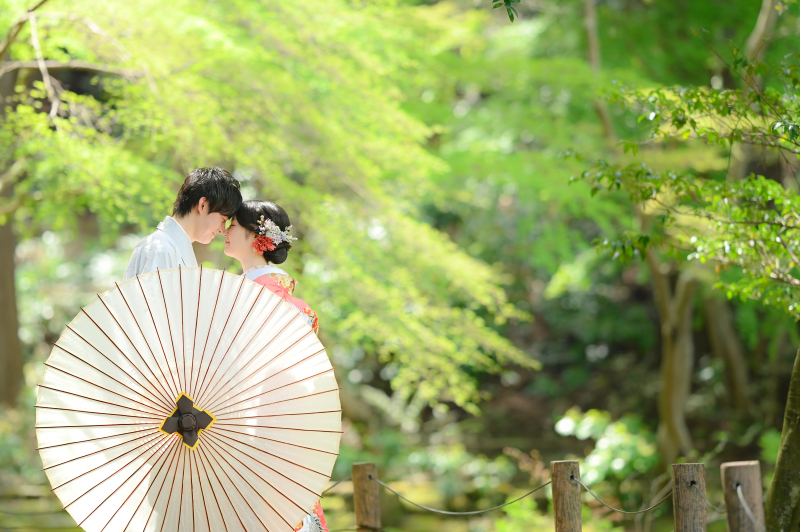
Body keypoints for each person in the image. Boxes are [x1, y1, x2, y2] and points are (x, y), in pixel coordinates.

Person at [223, 200, 324, 532]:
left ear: (256, 237)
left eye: (233, 225)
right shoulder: (293, 304)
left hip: (250, 425)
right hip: (288, 428)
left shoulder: (250, 298)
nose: (225, 230)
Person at [123, 167, 242, 280]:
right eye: (223, 220)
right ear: (203, 205)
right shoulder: (161, 248)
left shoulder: (171, 248)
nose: (222, 230)